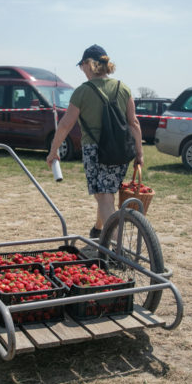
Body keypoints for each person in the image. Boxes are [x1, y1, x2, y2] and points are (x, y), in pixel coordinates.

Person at [46, 44, 143, 239]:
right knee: (105, 193)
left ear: (89, 65)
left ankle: (116, 248)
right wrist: (139, 153)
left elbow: (65, 124)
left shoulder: (82, 91)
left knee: (105, 197)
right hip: (121, 150)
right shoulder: (123, 88)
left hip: (95, 150)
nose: (81, 69)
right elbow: (134, 123)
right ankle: (98, 230)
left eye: (82, 65)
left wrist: (53, 150)